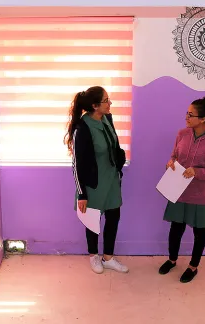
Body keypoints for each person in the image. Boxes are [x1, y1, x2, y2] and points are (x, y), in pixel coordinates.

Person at [158, 96, 205, 283]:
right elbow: (174, 156)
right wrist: (170, 163)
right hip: (178, 191)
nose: (186, 117)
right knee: (175, 228)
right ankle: (172, 260)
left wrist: (196, 172)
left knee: (199, 232)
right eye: (186, 113)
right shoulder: (182, 134)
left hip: (200, 195)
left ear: (202, 119)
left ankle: (193, 267)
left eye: (190, 115)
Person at [64, 86, 128, 274]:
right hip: (93, 184)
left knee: (113, 216)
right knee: (92, 221)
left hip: (111, 179)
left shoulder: (107, 118)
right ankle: (93, 256)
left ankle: (108, 257)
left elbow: (113, 145)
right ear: (94, 106)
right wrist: (82, 193)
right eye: (106, 100)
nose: (110, 103)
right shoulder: (82, 128)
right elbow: (76, 164)